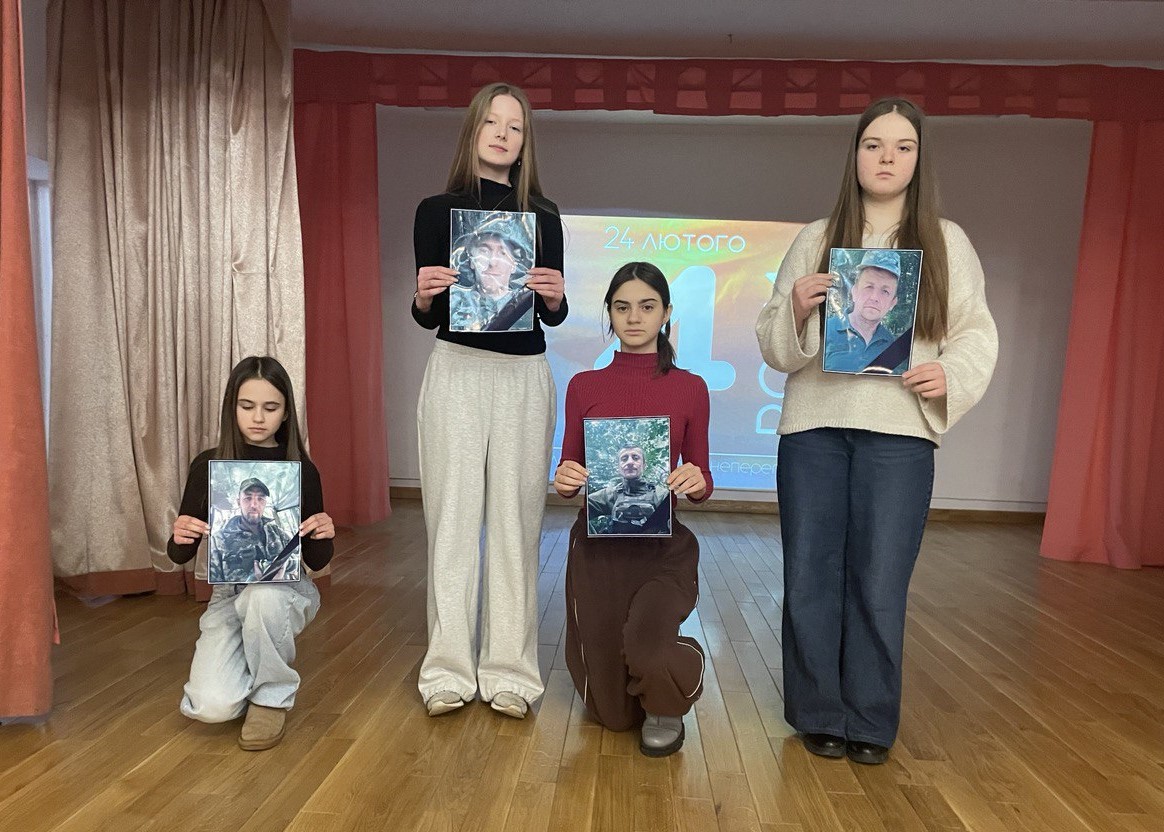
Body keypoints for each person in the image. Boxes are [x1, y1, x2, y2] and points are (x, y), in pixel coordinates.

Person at [756, 98, 998, 765]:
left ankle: (868, 717)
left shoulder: (946, 242)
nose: (887, 157)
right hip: (814, 428)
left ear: (919, 159)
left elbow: (975, 331)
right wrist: (797, 310)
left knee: (880, 578)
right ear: (855, 155)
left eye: (902, 146)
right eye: (873, 144)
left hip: (899, 434)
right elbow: (774, 344)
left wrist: (949, 372)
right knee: (809, 573)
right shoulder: (815, 238)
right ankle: (818, 713)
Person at [411, 82, 568, 719]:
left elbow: (551, 316)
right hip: (456, 370)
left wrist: (555, 297)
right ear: (473, 130)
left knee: (516, 524)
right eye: (492, 123)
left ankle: (510, 672)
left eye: (515, 126)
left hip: (523, 377)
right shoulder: (434, 212)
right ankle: (446, 671)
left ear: (525, 142)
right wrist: (422, 295)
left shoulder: (544, 217)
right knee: (450, 524)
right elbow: (429, 314)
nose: (503, 134)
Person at [554, 262, 712, 757]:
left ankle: (672, 678)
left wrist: (697, 481)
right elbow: (569, 469)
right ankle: (648, 670)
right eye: (622, 307)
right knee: (612, 715)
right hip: (598, 552)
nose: (635, 317)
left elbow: (703, 479)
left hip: (662, 550)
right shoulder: (583, 385)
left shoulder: (690, 387)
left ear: (666, 313)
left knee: (650, 652)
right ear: (609, 313)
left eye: (647, 306)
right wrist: (565, 479)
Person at [167, 356, 335, 751]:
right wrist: (181, 534)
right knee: (212, 707)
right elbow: (179, 555)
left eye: (271, 407)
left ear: (286, 412)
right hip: (229, 592)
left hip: (285, 588)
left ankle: (271, 698)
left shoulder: (301, 470)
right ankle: (250, 656)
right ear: (232, 407)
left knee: (263, 598)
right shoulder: (207, 466)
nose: (258, 417)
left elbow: (316, 559)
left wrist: (324, 532)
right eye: (247, 406)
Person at [824, 249, 908, 374]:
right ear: (854, 292)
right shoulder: (826, 329)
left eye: (885, 291)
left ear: (892, 303)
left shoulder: (891, 345)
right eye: (869, 287)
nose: (874, 297)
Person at [450, 223, 535, 332]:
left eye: (503, 253)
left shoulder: (527, 305)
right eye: (484, 251)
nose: (493, 262)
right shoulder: (454, 301)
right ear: (471, 260)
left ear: (514, 265)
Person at [210, 477, 296, 583]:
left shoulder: (277, 532)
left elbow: (297, 558)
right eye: (248, 498)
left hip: (283, 590)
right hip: (241, 593)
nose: (254, 505)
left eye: (260, 499)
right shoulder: (218, 540)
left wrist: (284, 564)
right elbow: (216, 586)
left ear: (265, 502)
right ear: (238, 502)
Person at [586, 441, 670, 535]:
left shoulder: (661, 495)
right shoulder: (608, 495)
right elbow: (583, 510)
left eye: (635, 458)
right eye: (624, 459)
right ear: (619, 467)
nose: (630, 462)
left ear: (644, 465)